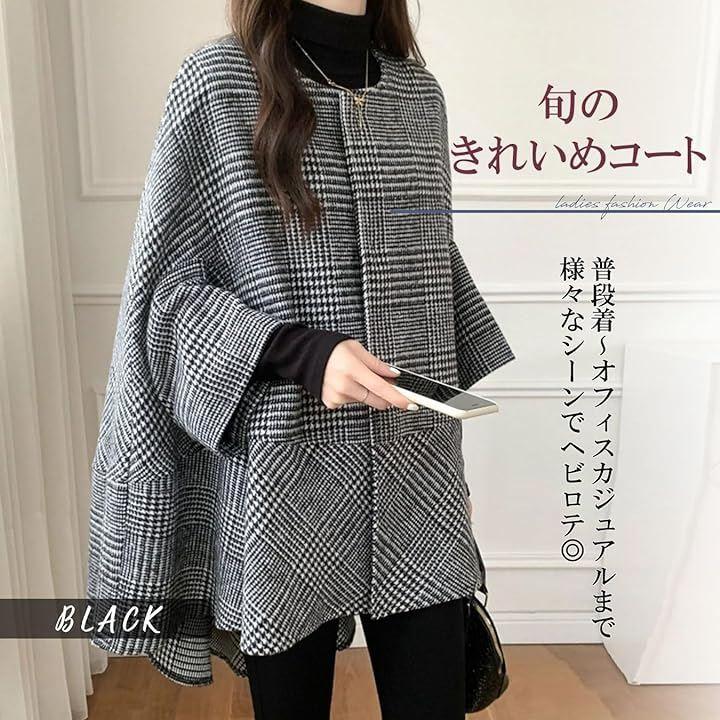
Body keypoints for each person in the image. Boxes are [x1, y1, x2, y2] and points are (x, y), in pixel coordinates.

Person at [85, 1, 515, 718]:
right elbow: (166, 295)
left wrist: (452, 469)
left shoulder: (417, 95)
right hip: (284, 471)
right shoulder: (220, 82)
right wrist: (303, 353)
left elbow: (431, 278)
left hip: (416, 469)